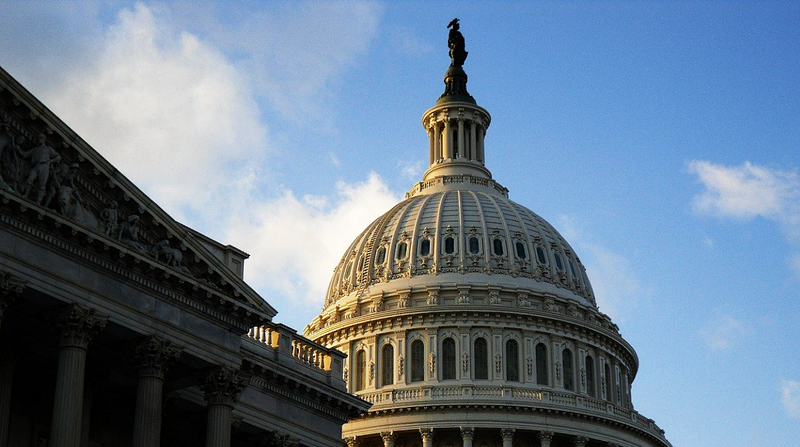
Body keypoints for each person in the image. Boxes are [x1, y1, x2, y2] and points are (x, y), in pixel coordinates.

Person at [21, 133, 60, 204]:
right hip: (36, 166)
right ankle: (26, 195)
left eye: (41, 138)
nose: (39, 139)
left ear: (45, 140)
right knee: (29, 179)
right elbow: (25, 154)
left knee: (42, 185)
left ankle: (38, 201)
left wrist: (50, 162)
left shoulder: (48, 149)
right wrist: (18, 149)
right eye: (38, 138)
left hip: (44, 166)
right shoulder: (35, 149)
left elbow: (58, 157)